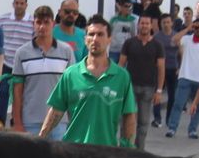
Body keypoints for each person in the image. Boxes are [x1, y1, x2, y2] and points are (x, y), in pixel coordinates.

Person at [39, 15, 137, 147]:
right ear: (85, 40)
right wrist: (40, 139)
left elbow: (129, 116)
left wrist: (128, 149)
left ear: (109, 39)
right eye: (91, 34)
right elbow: (56, 111)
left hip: (108, 153)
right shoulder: (71, 74)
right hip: (74, 152)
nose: (95, 39)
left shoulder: (121, 77)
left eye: (100, 34)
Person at [11, 5, 76, 137]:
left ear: (53, 24)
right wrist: (17, 122)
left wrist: (73, 120)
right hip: (31, 121)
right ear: (33, 24)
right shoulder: (22, 53)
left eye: (46, 22)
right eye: (38, 22)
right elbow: (17, 91)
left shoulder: (66, 51)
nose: (42, 27)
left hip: (59, 121)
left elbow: (71, 89)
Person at [119, 14, 165, 150]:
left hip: (148, 88)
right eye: (142, 23)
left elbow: (161, 68)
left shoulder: (157, 45)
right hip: (130, 87)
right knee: (127, 118)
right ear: (138, 25)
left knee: (143, 122)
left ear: (151, 26)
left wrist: (159, 90)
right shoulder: (129, 43)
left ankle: (140, 152)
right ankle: (125, 149)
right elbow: (121, 65)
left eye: (147, 23)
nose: (144, 26)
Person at [166, 13, 199, 139]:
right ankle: (172, 128)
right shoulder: (187, 39)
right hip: (185, 76)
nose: (198, 30)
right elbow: (174, 40)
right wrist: (187, 29)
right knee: (178, 104)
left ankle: (192, 130)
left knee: (197, 107)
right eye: (196, 27)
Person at [0, 0, 33, 126]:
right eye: (17, 3)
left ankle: (16, 120)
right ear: (13, 4)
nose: (19, 6)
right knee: (3, 91)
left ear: (26, 5)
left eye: (22, 3)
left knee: (21, 93)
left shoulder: (32, 21)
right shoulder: (3, 19)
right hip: (7, 63)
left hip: (24, 65)